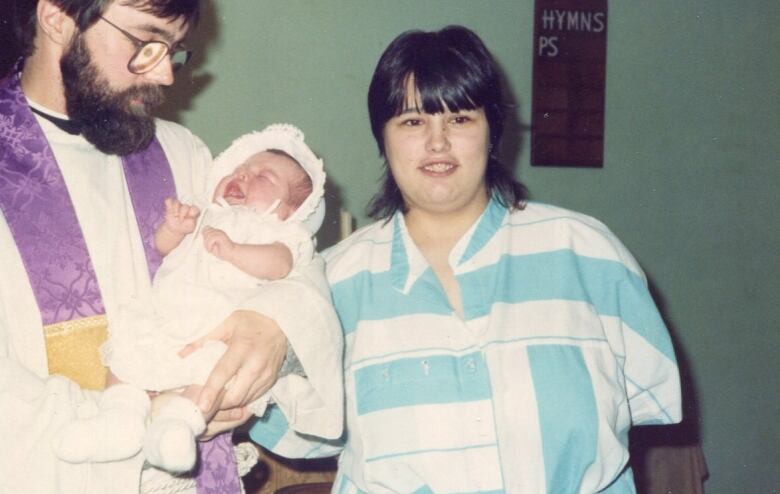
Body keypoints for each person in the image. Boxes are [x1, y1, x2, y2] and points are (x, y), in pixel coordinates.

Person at [249, 25, 682, 493]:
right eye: (412, 122)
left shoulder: (588, 252)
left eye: (459, 119)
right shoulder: (327, 284)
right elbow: (294, 430)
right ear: (383, 137)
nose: (437, 143)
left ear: (492, 130)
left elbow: (645, 397)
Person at [0, 1, 341, 493]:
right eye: (146, 43)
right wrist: (144, 419)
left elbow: (289, 250)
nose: (164, 75)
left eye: (174, 52)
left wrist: (276, 328)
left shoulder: (183, 154)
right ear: (55, 16)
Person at [53, 124, 342, 474]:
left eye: (263, 176)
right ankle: (117, 420)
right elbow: (164, 249)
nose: (243, 177)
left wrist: (235, 250)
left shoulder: (280, 233)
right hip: (166, 317)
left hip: (213, 328)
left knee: (208, 376)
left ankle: (176, 427)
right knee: (127, 352)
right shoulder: (207, 214)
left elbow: (280, 265)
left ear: (294, 209)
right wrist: (174, 229)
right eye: (239, 170)